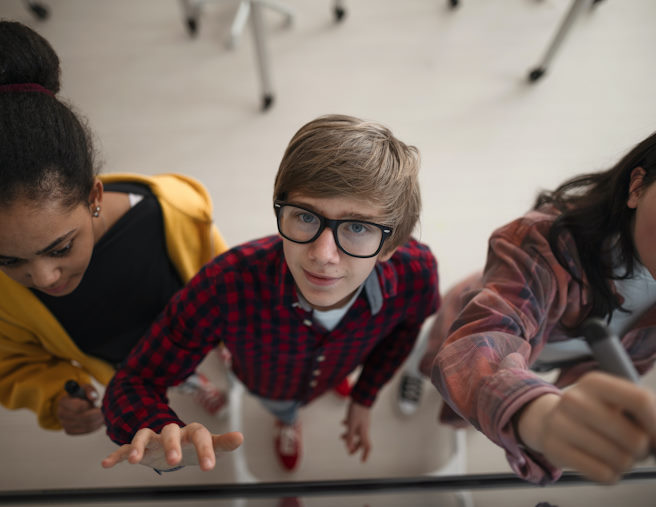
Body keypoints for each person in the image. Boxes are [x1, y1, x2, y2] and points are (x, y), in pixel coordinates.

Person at [101, 114, 440, 473]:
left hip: (346, 358)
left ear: (391, 246)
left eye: (357, 227)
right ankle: (286, 419)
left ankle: (334, 379)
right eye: (306, 217)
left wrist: (364, 394)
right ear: (281, 207)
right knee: (283, 405)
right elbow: (135, 380)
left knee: (334, 366)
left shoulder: (416, 274)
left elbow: (407, 329)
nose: (323, 255)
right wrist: (154, 428)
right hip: (270, 385)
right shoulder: (225, 285)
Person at [0, 21, 231, 436]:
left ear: (94, 197)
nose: (42, 278)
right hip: (117, 363)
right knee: (157, 375)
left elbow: (220, 272)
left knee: (187, 355)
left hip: (187, 328)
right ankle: (189, 383)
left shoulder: (174, 211)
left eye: (60, 248)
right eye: (9, 261)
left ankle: (196, 372)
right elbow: (13, 362)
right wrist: (56, 396)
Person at [422, 131, 656, 485]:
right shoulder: (542, 239)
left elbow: (621, 367)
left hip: (543, 357)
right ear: (637, 187)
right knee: (436, 358)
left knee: (489, 399)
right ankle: (415, 370)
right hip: (475, 313)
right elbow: (478, 343)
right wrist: (540, 416)